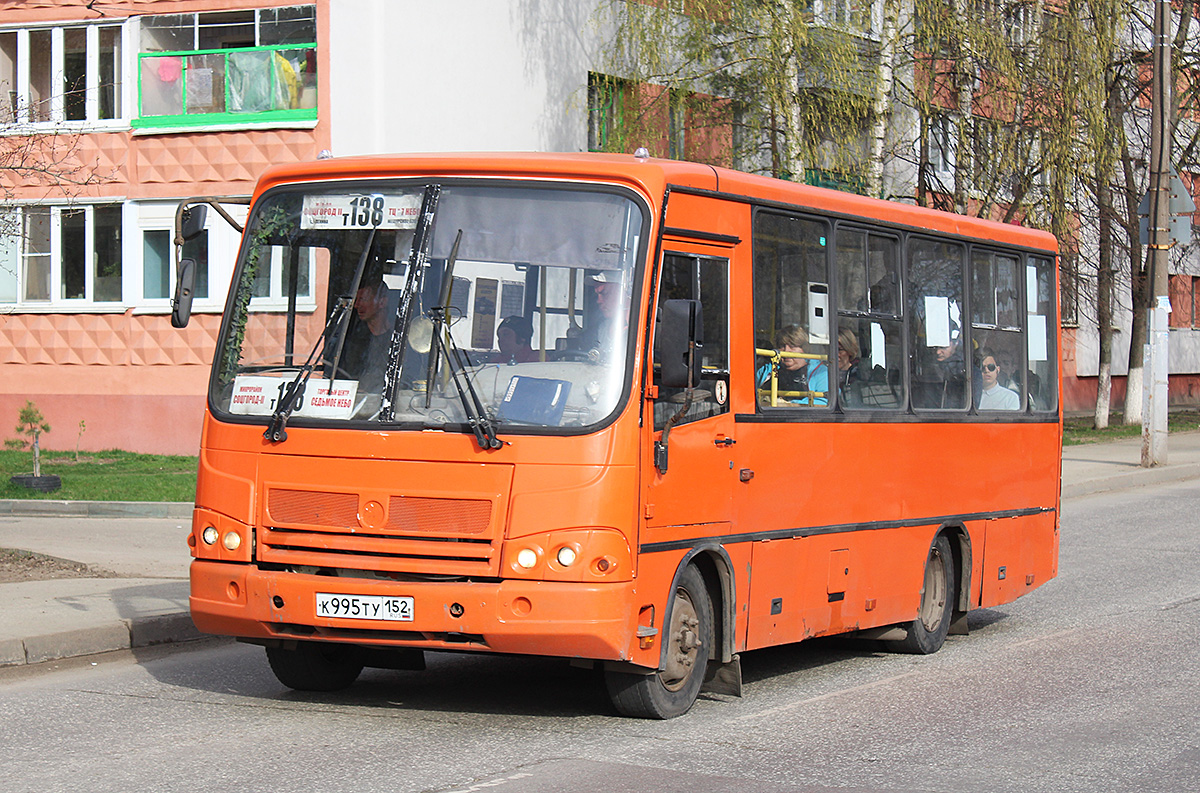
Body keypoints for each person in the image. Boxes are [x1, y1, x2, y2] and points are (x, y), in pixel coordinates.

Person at [756, 324, 828, 405]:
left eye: (792, 346)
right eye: (782, 346)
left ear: (804, 349)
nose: (786, 351)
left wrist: (787, 404)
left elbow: (824, 403)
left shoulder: (820, 373)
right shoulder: (767, 370)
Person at [835, 327, 862, 406]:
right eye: (830, 349)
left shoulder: (858, 374)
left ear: (849, 350)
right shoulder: (822, 372)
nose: (835, 354)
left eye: (839, 350)